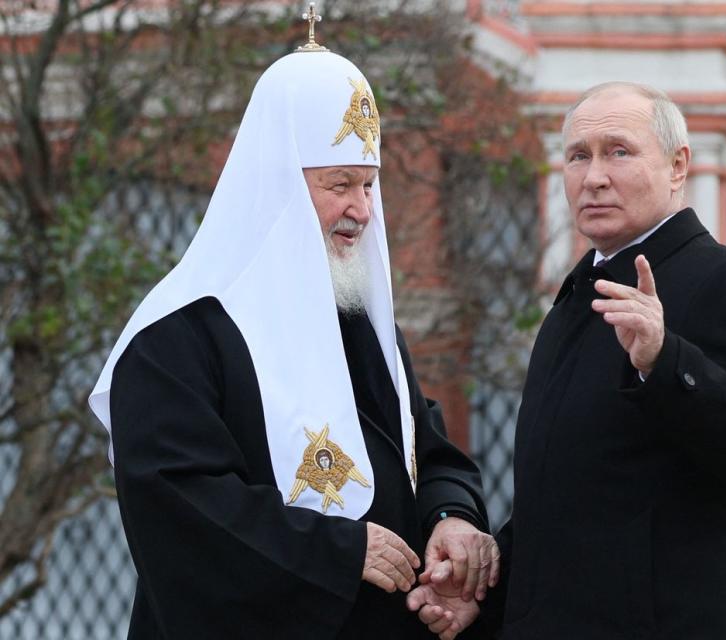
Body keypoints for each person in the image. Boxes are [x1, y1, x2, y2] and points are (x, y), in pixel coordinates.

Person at [88, 28, 498, 640]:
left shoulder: (357, 315)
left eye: (368, 184)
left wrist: (451, 516)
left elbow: (428, 446)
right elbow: (181, 510)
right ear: (276, 182)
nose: (361, 209)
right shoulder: (177, 335)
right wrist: (335, 552)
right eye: (339, 185)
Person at [410, 82, 726, 639]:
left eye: (619, 151)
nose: (594, 176)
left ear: (677, 165)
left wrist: (666, 361)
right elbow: (570, 503)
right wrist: (484, 592)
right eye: (578, 156)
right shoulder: (577, 297)